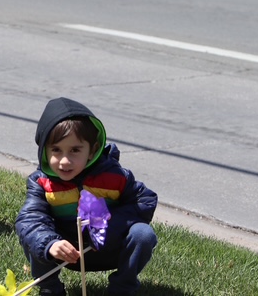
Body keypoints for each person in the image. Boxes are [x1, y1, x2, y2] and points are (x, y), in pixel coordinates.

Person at [15, 97, 158, 296]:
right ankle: (50, 289)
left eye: (75, 150)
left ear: (92, 150)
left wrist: (107, 226)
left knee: (143, 234)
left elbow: (145, 200)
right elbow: (29, 218)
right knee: (33, 236)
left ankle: (122, 289)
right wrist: (50, 243)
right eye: (56, 150)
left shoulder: (115, 175)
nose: (65, 161)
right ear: (44, 151)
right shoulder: (41, 182)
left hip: (107, 247)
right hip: (67, 251)